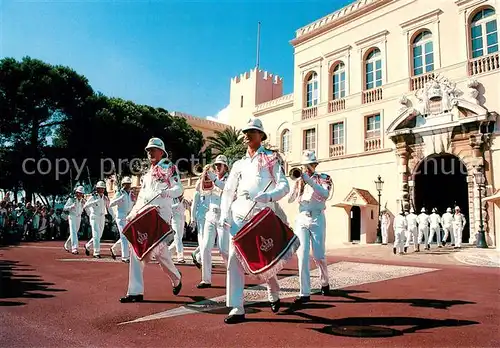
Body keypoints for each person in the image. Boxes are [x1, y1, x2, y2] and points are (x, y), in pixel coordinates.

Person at [219, 117, 290, 324]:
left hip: (262, 216)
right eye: (246, 131)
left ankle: (274, 290)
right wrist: (225, 214)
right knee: (234, 258)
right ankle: (237, 307)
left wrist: (269, 197)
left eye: (252, 131)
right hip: (239, 215)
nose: (248, 134)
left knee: (264, 258)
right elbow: (228, 192)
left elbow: (284, 186)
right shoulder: (239, 164)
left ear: (261, 136)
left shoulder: (271, 159)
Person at [120, 137, 183, 303]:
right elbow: (141, 198)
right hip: (145, 215)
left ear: (162, 152)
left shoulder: (169, 167)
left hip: (161, 216)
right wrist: (132, 213)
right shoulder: (146, 175)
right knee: (139, 250)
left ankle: (175, 277)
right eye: (148, 150)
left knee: (158, 252)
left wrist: (167, 192)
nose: (150, 152)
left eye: (153, 149)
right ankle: (135, 291)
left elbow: (179, 189)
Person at [287, 150, 332, 305]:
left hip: (317, 217)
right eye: (304, 166)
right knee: (302, 254)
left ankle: (324, 282)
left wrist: (310, 181)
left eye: (309, 165)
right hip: (302, 217)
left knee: (319, 256)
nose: (306, 168)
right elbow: (290, 200)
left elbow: (325, 194)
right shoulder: (301, 180)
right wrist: (296, 184)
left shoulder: (324, 178)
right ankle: (304, 292)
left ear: (315, 165)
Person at [197, 154, 230, 288]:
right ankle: (206, 279)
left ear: (225, 167)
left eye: (220, 165)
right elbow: (202, 193)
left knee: (224, 250)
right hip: (210, 215)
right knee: (205, 248)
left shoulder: (229, 179)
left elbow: (227, 189)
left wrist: (215, 179)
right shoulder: (212, 179)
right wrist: (203, 178)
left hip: (224, 217)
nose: (217, 167)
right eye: (216, 164)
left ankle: (232, 275)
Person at [83, 181, 112, 258]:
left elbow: (109, 208)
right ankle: (96, 252)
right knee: (96, 234)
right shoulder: (93, 197)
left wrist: (114, 216)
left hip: (102, 217)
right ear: (97, 189)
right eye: (100, 188)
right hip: (94, 217)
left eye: (103, 188)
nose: (101, 190)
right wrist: (93, 204)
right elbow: (85, 206)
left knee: (99, 235)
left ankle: (88, 245)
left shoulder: (105, 198)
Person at [109, 176, 134, 263]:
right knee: (124, 236)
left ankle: (114, 248)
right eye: (126, 184)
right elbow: (111, 204)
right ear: (123, 185)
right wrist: (119, 199)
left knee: (128, 236)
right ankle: (125, 257)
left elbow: (132, 205)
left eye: (129, 184)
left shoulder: (131, 194)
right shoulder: (119, 193)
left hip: (128, 217)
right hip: (120, 217)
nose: (128, 186)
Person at [63, 185, 86, 254]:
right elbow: (65, 208)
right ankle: (74, 248)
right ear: (76, 193)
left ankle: (67, 244)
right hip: (72, 216)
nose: (79, 194)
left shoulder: (83, 201)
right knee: (73, 232)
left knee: (75, 232)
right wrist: (71, 207)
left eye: (81, 193)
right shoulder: (71, 199)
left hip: (78, 217)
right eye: (78, 193)